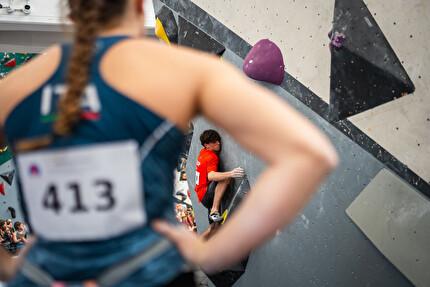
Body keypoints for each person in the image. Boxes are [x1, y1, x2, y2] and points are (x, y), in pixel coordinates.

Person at [0, 0, 338, 285]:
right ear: (136, 6)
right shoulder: (181, 72)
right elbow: (308, 154)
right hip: (152, 274)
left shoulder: (13, 90)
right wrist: (210, 252)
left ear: (71, 15)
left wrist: (11, 267)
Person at [195, 129, 244, 240]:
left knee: (214, 229)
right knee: (225, 178)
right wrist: (231, 173)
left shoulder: (203, 152)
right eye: (214, 142)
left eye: (218, 140)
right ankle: (214, 210)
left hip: (202, 196)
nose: (218, 143)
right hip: (206, 195)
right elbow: (211, 176)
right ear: (206, 145)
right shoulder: (212, 156)